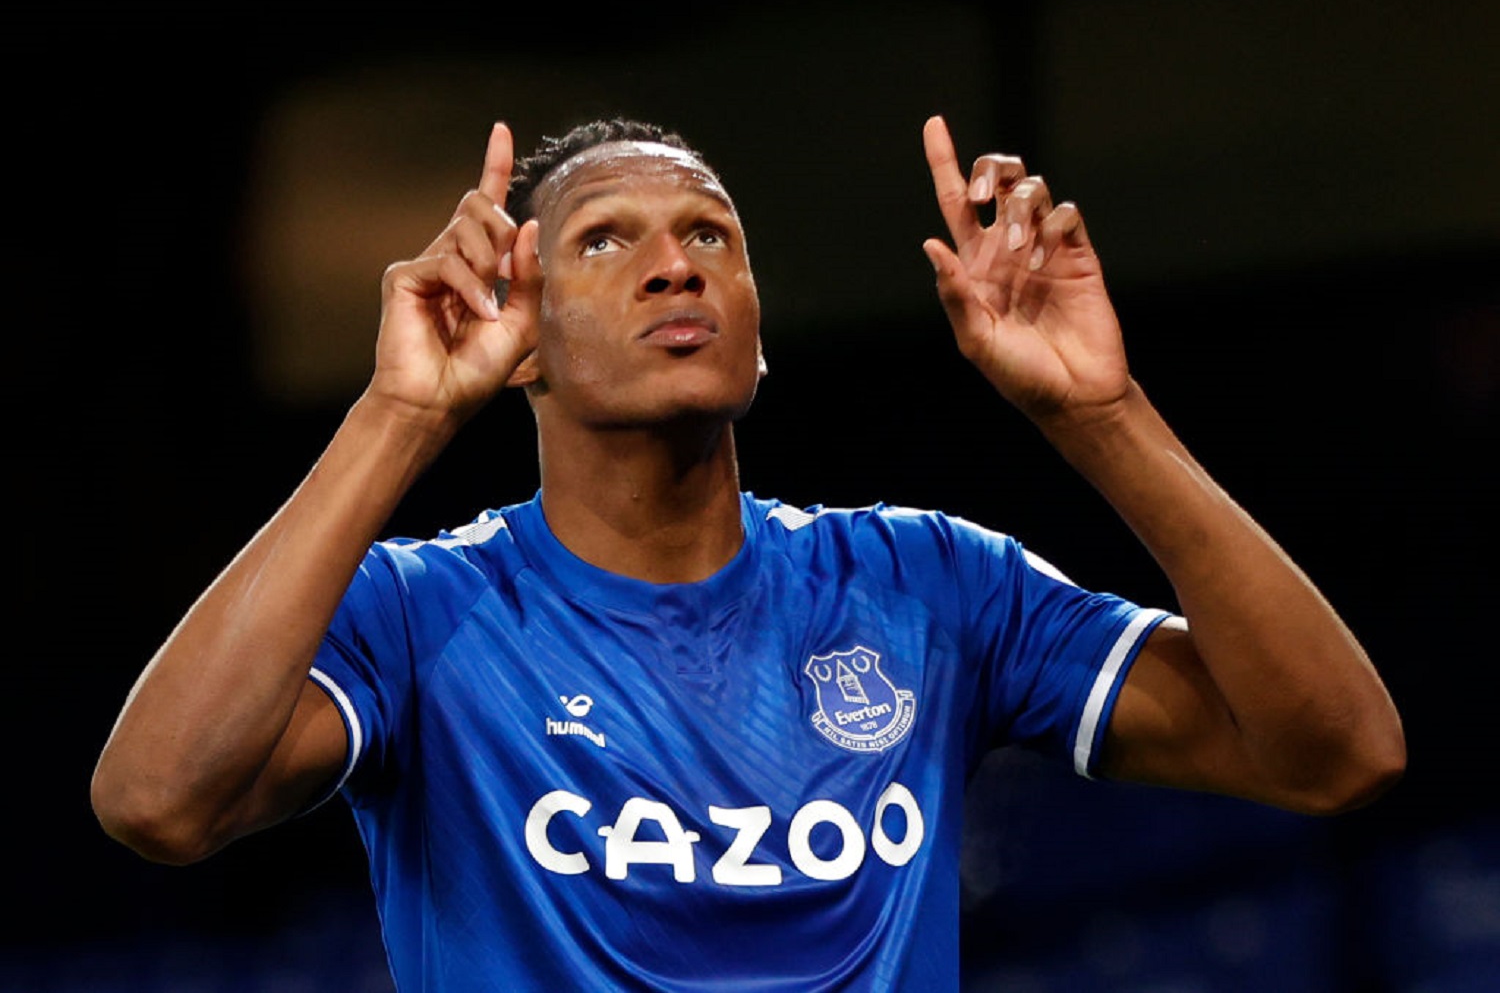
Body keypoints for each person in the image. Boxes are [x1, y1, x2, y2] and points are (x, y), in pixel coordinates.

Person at [91, 115, 1405, 991]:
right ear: (522, 337)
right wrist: (400, 413)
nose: (678, 269)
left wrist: (1099, 415)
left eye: (712, 237)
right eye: (609, 241)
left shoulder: (924, 583)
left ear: (759, 332)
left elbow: (1338, 750)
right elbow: (157, 799)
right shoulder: (426, 615)